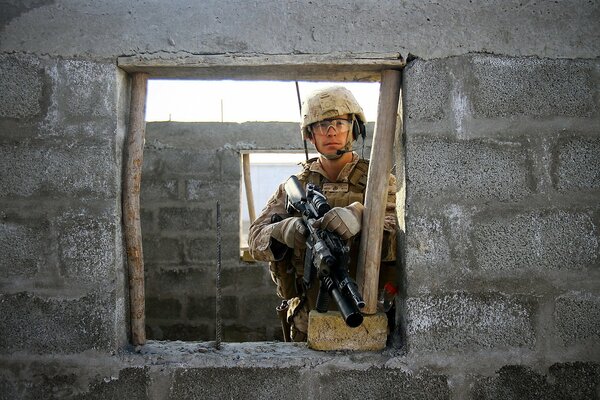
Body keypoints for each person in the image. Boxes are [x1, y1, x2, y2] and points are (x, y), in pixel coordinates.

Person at [248, 86, 398, 342]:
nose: (331, 131)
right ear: (309, 135)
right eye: (322, 125)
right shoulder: (293, 187)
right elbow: (255, 240)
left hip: (369, 314)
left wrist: (362, 216)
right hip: (308, 321)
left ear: (354, 128)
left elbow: (405, 234)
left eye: (339, 123)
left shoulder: (380, 182)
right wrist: (282, 230)